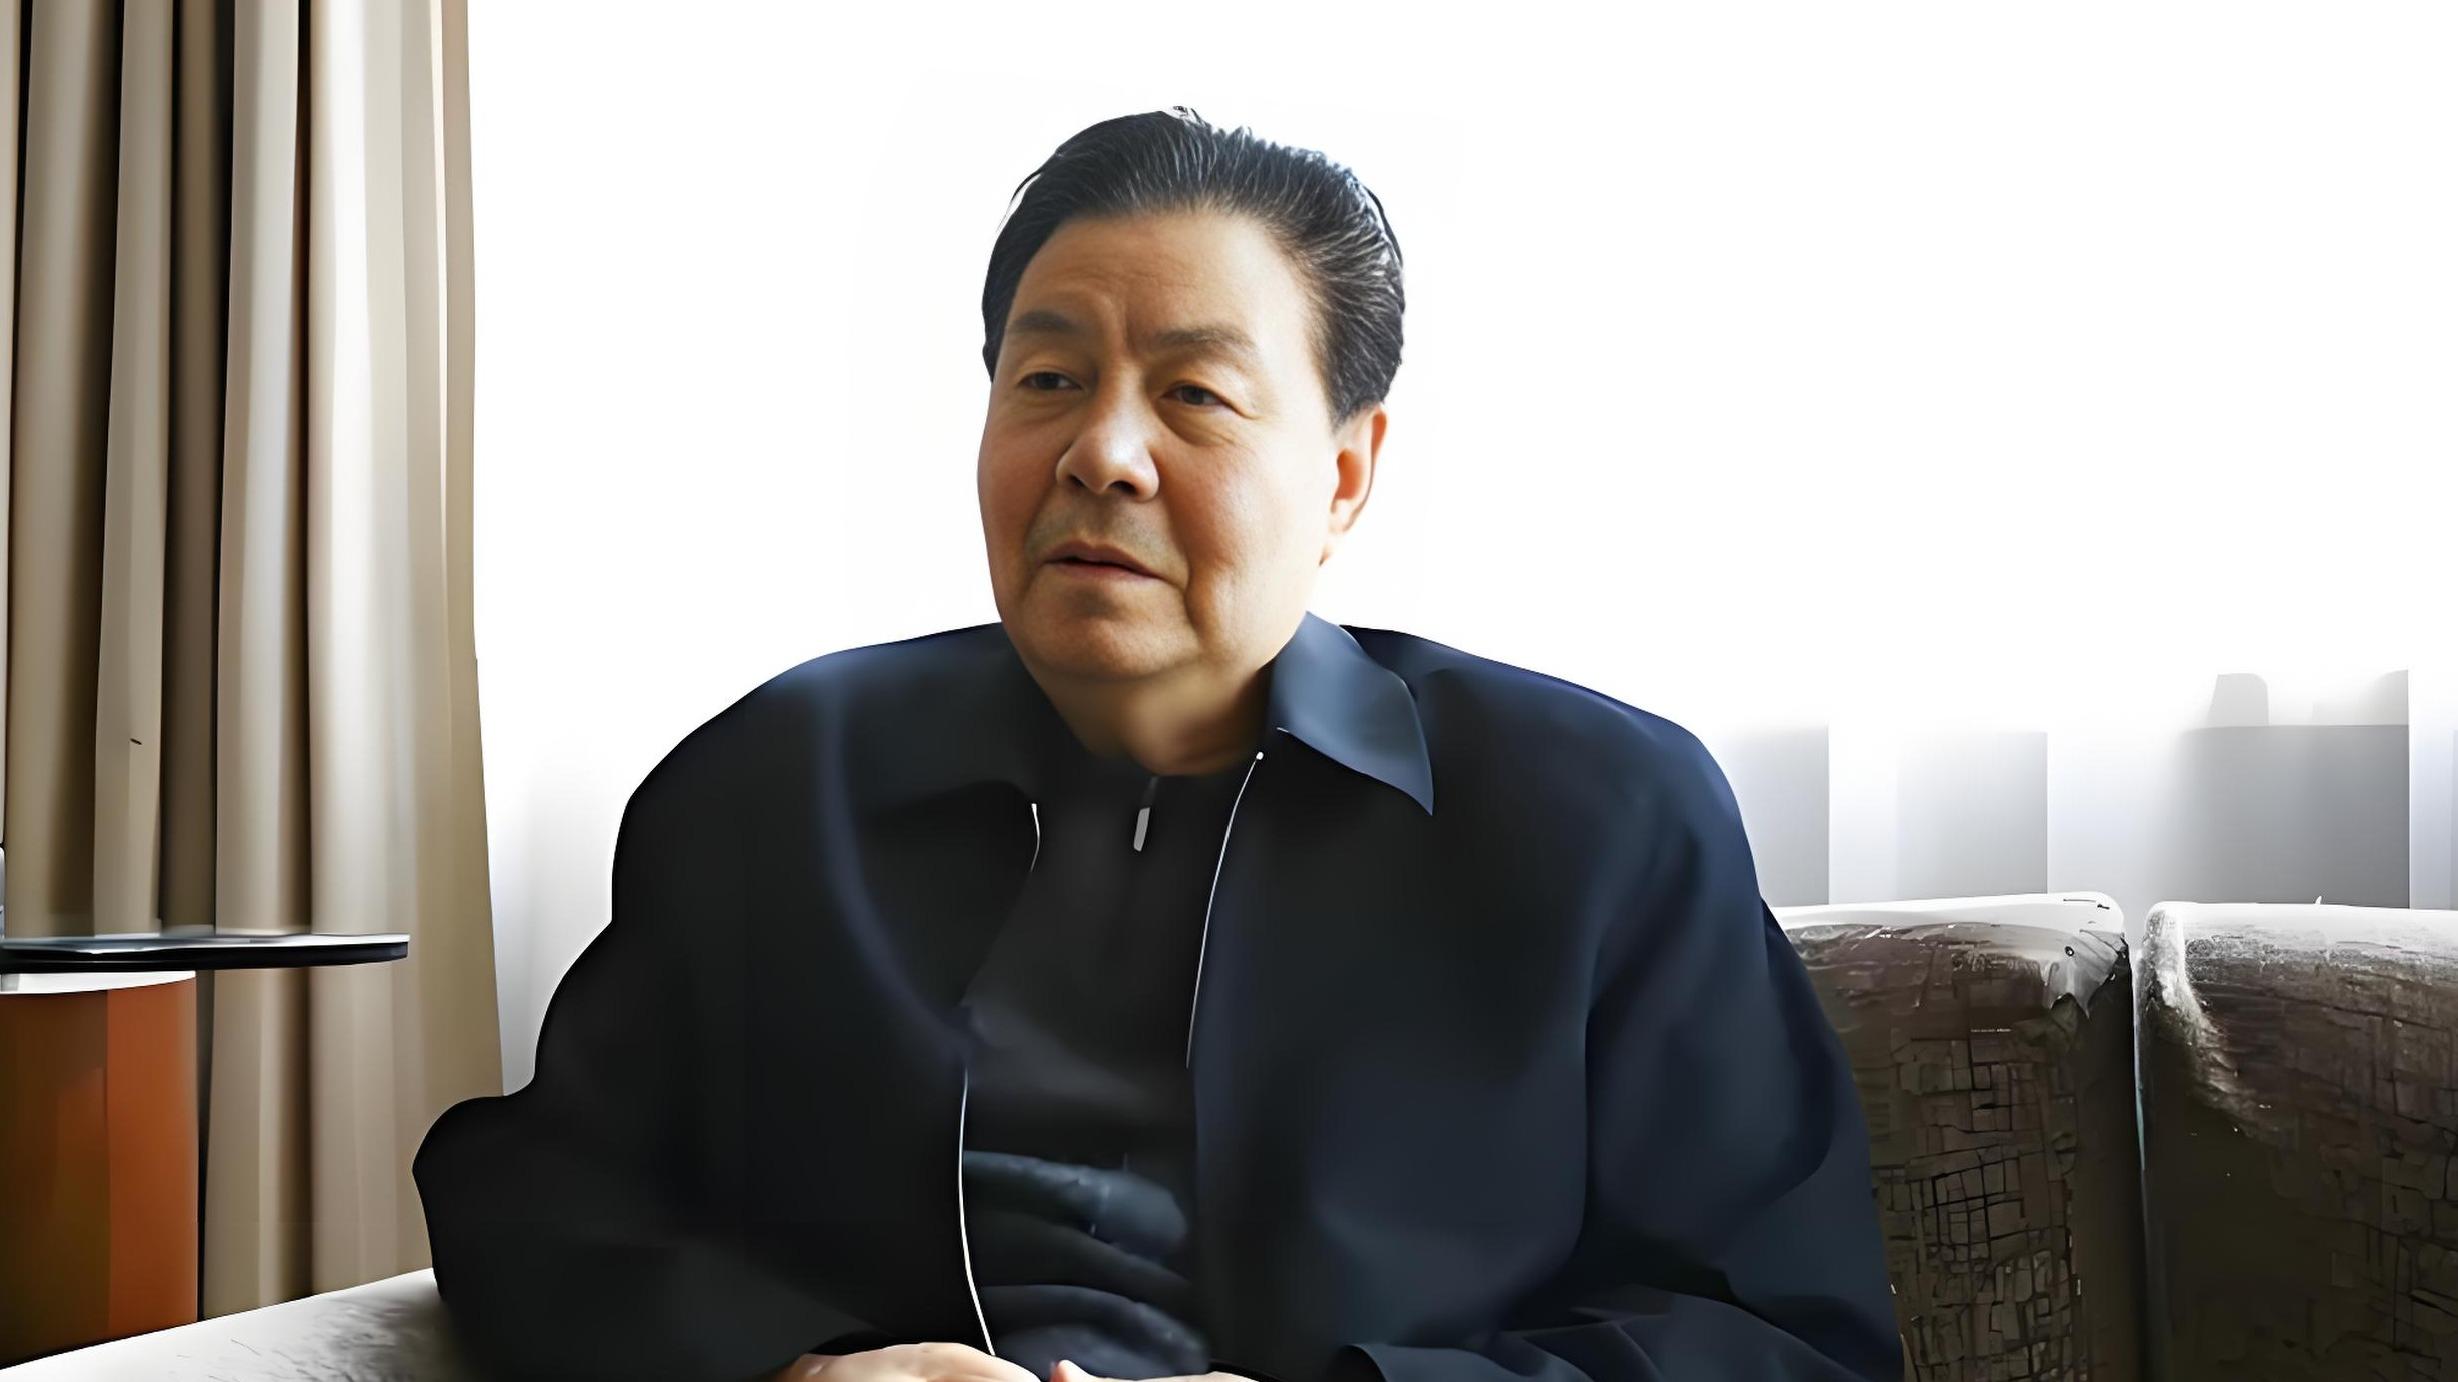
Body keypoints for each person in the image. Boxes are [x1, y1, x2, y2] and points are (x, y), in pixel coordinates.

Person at [413, 107, 1903, 1382]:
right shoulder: (777, 779)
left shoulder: (1598, 816)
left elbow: (1775, 1332)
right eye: (1047, 380)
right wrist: (798, 1367)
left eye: (1193, 394)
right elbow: (539, 1188)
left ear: (1343, 474)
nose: (1100, 452)